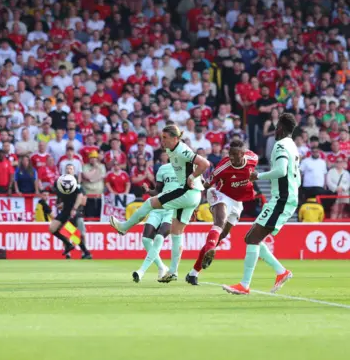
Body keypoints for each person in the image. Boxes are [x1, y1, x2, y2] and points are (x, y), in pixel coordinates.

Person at [110, 124, 210, 283]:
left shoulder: (182, 149)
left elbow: (205, 164)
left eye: (165, 138)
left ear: (175, 138)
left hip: (187, 192)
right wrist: (197, 178)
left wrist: (192, 178)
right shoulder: (171, 150)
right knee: (177, 232)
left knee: (150, 203)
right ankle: (173, 271)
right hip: (194, 195)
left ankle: (124, 227)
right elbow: (193, 167)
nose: (162, 141)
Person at [223, 113, 299, 295]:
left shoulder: (280, 145)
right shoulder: (292, 145)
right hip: (284, 196)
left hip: (283, 198)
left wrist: (259, 176)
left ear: (280, 127)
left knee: (252, 238)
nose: (274, 129)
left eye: (276, 125)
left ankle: (244, 285)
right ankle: (281, 272)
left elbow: (281, 170)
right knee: (251, 236)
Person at [186, 140, 258, 285]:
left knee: (220, 236)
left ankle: (193, 273)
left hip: (238, 202)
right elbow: (207, 185)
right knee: (219, 222)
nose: (231, 158)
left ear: (243, 154)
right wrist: (195, 204)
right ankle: (211, 249)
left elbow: (257, 171)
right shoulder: (223, 167)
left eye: (235, 155)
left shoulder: (253, 159)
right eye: (229, 154)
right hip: (220, 195)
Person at [131, 162, 179, 283]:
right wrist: (148, 190)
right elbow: (158, 192)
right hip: (157, 209)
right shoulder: (163, 169)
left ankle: (141, 271)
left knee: (159, 237)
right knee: (146, 239)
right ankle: (162, 267)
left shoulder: (186, 169)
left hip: (171, 210)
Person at [49, 166, 91, 259]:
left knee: (72, 233)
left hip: (74, 212)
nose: (68, 170)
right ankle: (69, 245)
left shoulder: (76, 184)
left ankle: (85, 252)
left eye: (71, 169)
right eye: (67, 169)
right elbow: (62, 199)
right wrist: (61, 204)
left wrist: (74, 209)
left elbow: (81, 197)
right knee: (53, 228)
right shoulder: (61, 184)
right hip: (65, 211)